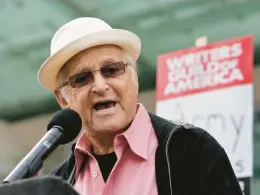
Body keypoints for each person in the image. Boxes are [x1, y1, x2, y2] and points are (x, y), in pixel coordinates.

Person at [37, 17, 243, 195]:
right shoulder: (57, 185)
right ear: (62, 99)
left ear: (133, 77)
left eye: (111, 70)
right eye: (82, 78)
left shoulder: (191, 150)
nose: (99, 86)